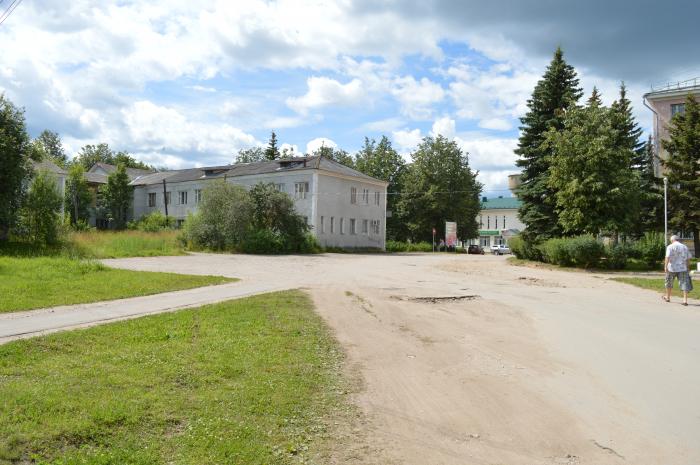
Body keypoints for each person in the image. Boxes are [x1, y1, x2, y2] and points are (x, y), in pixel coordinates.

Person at [663, 235, 693, 306]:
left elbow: (667, 257)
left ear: (672, 240)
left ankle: (668, 297)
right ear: (678, 240)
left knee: (669, 282)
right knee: (684, 283)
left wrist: (665, 266)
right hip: (683, 268)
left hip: (671, 268)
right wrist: (688, 267)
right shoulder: (685, 247)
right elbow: (688, 258)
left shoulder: (670, 246)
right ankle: (685, 300)